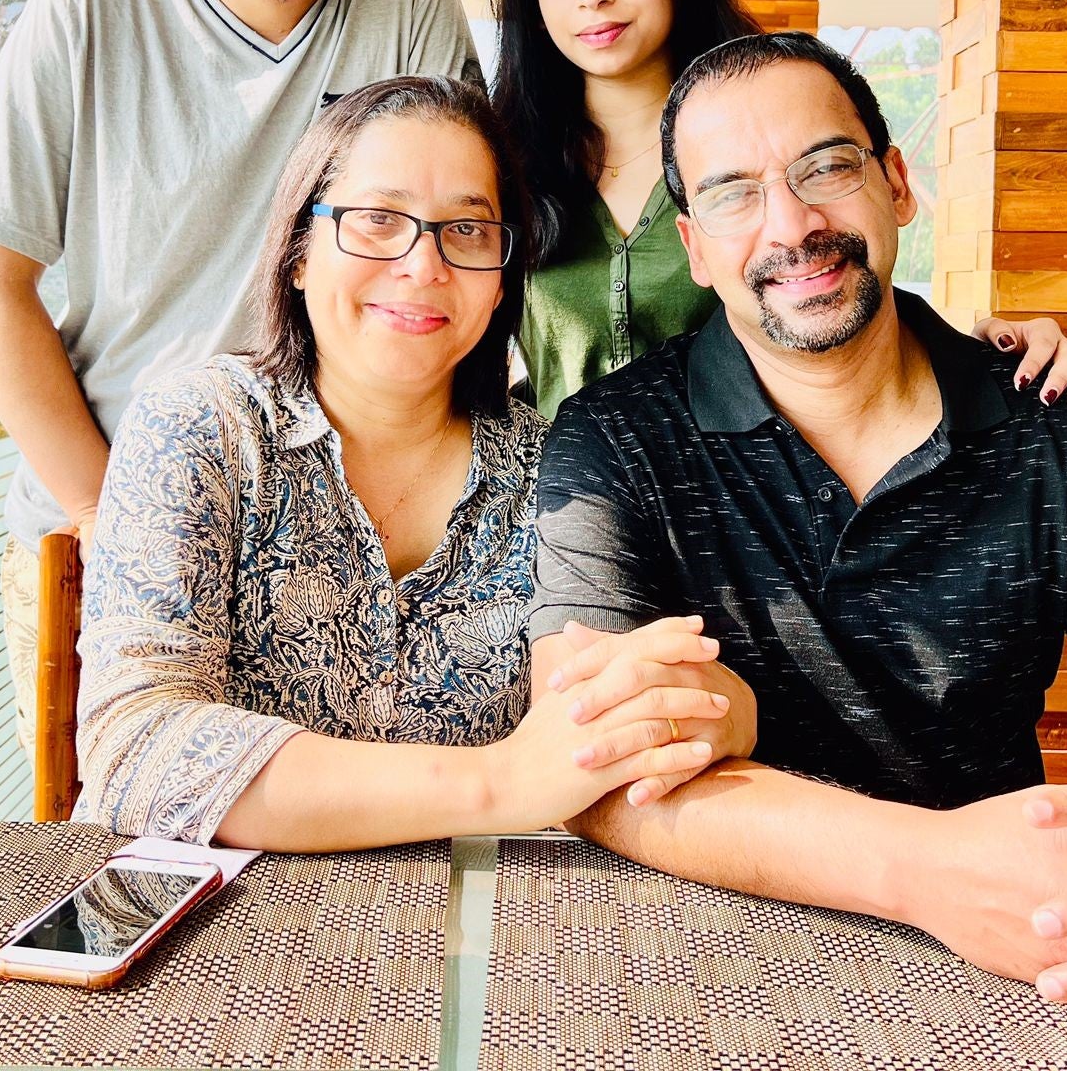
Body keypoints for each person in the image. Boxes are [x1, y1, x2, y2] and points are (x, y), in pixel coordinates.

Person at [527, 32, 1067, 1012]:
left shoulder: (1053, 430)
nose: (791, 223)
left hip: (1008, 966)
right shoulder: (612, 441)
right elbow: (592, 761)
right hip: (690, 958)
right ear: (691, 247)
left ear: (896, 183)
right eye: (732, 192)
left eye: (825, 166)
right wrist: (926, 869)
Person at [0, 0, 480, 750]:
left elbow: (454, 237)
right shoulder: (89, 7)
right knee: (117, 861)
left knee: (335, 877)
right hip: (95, 523)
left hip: (330, 535)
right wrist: (120, 521)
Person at [76, 78, 745, 849]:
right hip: (206, 932)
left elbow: (610, 726)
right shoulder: (202, 428)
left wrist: (708, 703)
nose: (422, 265)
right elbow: (137, 746)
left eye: (466, 230)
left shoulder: (560, 470)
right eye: (377, 219)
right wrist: (500, 783)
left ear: (501, 283)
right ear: (298, 252)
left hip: (469, 937)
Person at [490, 0, 1067, 420]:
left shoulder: (780, 135)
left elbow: (842, 282)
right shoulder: (503, 162)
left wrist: (986, 358)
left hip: (760, 510)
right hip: (563, 515)